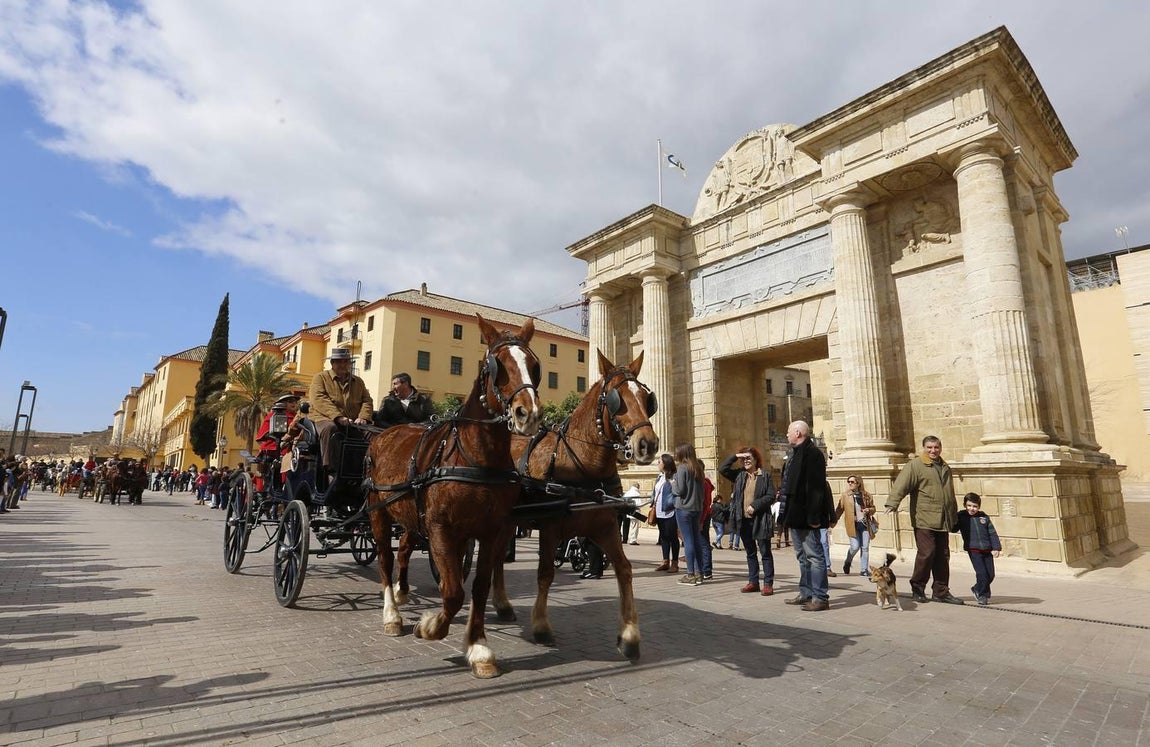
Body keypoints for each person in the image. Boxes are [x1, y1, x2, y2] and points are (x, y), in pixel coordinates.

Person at [885, 435, 963, 605]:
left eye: (936, 447)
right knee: (927, 553)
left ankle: (941, 591)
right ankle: (918, 588)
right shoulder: (915, 465)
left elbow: (949, 494)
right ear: (924, 448)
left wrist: (954, 516)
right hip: (924, 518)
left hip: (943, 519)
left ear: (940, 448)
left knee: (943, 556)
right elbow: (902, 484)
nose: (933, 450)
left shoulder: (945, 467)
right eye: (929, 447)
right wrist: (893, 502)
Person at [779, 421, 833, 611]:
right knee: (802, 556)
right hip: (795, 514)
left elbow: (816, 488)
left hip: (807, 515)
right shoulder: (794, 454)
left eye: (788, 432)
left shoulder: (813, 454)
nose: (786, 435)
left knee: (814, 556)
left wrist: (814, 517)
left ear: (798, 433)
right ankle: (806, 593)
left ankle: (820, 597)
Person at [308, 347, 374, 474]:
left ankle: (367, 471)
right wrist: (338, 417)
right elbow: (319, 399)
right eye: (339, 362)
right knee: (330, 429)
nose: (343, 364)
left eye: (346, 361)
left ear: (350, 363)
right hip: (324, 418)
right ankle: (331, 471)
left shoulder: (358, 381)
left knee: (372, 434)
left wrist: (363, 417)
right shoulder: (320, 378)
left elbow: (367, 400)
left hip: (353, 422)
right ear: (332, 363)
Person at [721, 446, 776, 595]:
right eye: (743, 459)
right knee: (750, 552)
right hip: (743, 520)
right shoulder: (740, 475)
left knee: (765, 552)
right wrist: (736, 455)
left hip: (760, 519)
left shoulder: (765, 476)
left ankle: (768, 584)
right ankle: (753, 582)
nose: (746, 461)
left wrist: (755, 505)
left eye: (748, 458)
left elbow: (771, 495)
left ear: (756, 459)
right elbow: (723, 469)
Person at [957, 492, 1001, 606]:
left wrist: (996, 547)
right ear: (965, 505)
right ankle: (983, 595)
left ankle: (977, 587)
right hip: (974, 550)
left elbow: (992, 533)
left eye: (975, 506)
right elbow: (953, 528)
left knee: (990, 575)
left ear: (979, 506)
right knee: (982, 574)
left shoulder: (984, 517)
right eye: (969, 506)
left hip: (987, 550)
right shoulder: (961, 516)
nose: (972, 508)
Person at [671, 443, 705, 586]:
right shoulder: (698, 468)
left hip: (683, 508)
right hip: (696, 508)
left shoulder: (682, 469)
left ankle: (690, 574)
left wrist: (673, 482)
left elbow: (679, 490)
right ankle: (699, 572)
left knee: (688, 541)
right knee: (696, 540)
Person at [835, 474, 877, 577]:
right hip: (852, 525)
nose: (850, 483)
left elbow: (873, 508)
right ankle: (848, 561)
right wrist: (833, 521)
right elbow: (839, 509)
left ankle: (864, 570)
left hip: (864, 524)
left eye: (852, 482)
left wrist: (869, 510)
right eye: (848, 481)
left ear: (858, 483)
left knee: (865, 547)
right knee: (855, 547)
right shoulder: (845, 495)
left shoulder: (866, 495)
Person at [652, 454, 679, 574]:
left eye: (659, 462)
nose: (658, 464)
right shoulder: (659, 477)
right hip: (659, 511)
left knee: (672, 537)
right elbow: (656, 492)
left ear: (666, 463)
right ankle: (665, 561)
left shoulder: (674, 477)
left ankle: (675, 562)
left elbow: (676, 493)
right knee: (663, 537)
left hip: (669, 511)